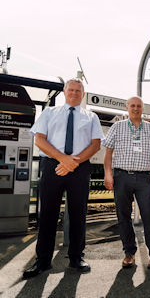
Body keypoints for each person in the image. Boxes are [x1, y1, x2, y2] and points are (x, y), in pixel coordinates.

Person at [24, 78, 104, 278]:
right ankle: (42, 261)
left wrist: (73, 163)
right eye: (71, 90)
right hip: (53, 165)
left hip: (80, 166)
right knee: (48, 214)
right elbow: (40, 139)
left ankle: (76, 257)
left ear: (83, 94)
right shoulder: (49, 113)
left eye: (79, 90)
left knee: (78, 214)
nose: (74, 93)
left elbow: (95, 145)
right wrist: (62, 159)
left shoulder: (91, 116)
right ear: (64, 91)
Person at [103, 96, 150, 269]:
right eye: (133, 106)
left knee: (149, 216)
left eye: (139, 106)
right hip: (121, 177)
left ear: (142, 108)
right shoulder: (117, 127)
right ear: (127, 107)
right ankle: (129, 253)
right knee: (123, 216)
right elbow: (108, 153)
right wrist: (108, 174)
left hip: (144, 178)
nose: (136, 109)